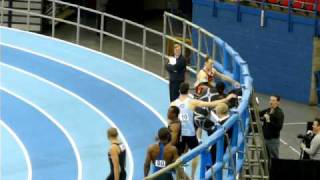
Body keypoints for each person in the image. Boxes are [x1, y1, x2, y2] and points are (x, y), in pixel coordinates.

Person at [170, 82, 236, 179]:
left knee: (179, 158)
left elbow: (170, 121)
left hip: (179, 134)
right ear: (188, 91)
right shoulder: (191, 101)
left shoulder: (173, 104)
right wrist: (226, 99)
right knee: (197, 153)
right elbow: (210, 104)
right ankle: (192, 176)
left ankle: (180, 177)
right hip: (190, 134)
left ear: (179, 91)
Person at [259, 95, 284, 159]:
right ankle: (264, 169)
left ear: (278, 102)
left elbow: (279, 127)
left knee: (273, 158)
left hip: (273, 140)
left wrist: (268, 121)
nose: (271, 102)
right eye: (270, 100)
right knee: (262, 157)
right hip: (265, 138)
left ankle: (274, 169)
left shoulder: (279, 113)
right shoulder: (268, 110)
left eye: (273, 100)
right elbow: (258, 114)